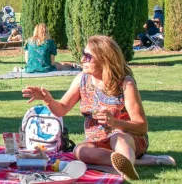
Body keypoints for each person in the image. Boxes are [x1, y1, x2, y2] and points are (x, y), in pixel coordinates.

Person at [21, 36, 175, 180]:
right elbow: (61, 109)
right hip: (98, 141)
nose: (82, 59)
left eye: (88, 56)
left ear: (104, 58)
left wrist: (115, 123)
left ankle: (127, 166)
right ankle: (133, 163)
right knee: (79, 150)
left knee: (117, 138)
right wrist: (47, 99)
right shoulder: (82, 79)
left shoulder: (125, 83)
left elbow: (142, 127)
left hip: (129, 138)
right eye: (83, 54)